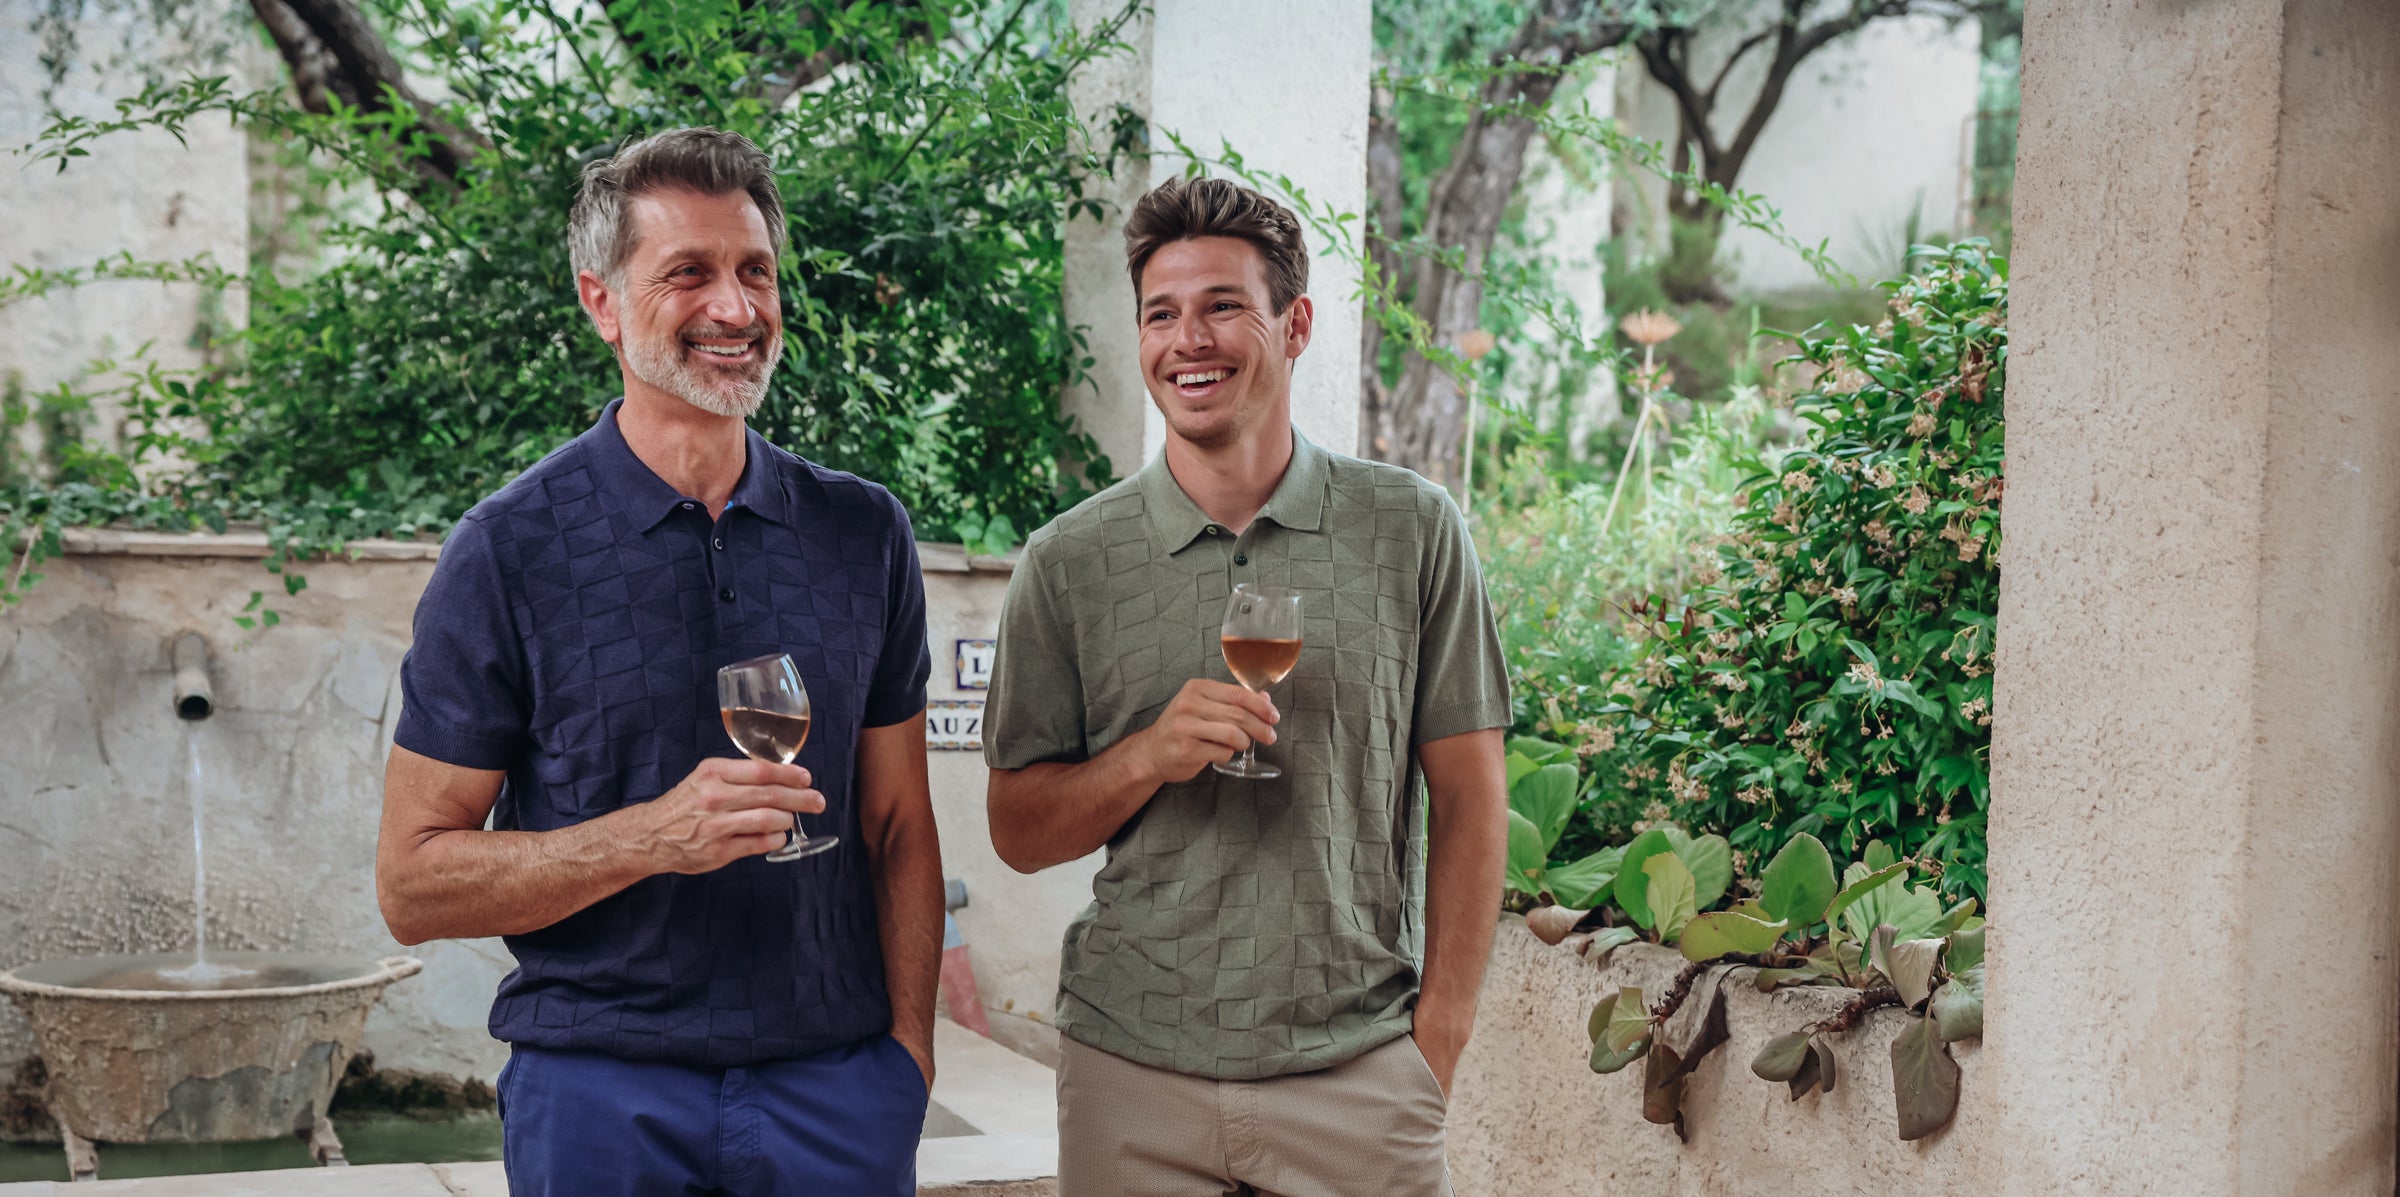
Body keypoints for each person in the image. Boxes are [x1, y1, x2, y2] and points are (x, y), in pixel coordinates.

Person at [375, 126, 942, 1197]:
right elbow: (412, 882)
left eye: (755, 271)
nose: (735, 308)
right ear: (602, 302)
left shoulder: (863, 533)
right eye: (689, 273)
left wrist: (904, 1063)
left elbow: (898, 823)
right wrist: (652, 838)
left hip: (835, 1096)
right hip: (600, 1098)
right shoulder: (508, 551)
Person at [983, 176, 1510, 1196]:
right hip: (1130, 1072)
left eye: (1224, 305)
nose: (1192, 340)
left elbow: (1475, 795)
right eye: (1162, 314)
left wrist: (1436, 1040)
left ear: (1295, 322)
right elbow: (1019, 827)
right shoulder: (1067, 562)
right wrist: (1145, 758)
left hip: (1358, 1072)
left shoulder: (1412, 529)